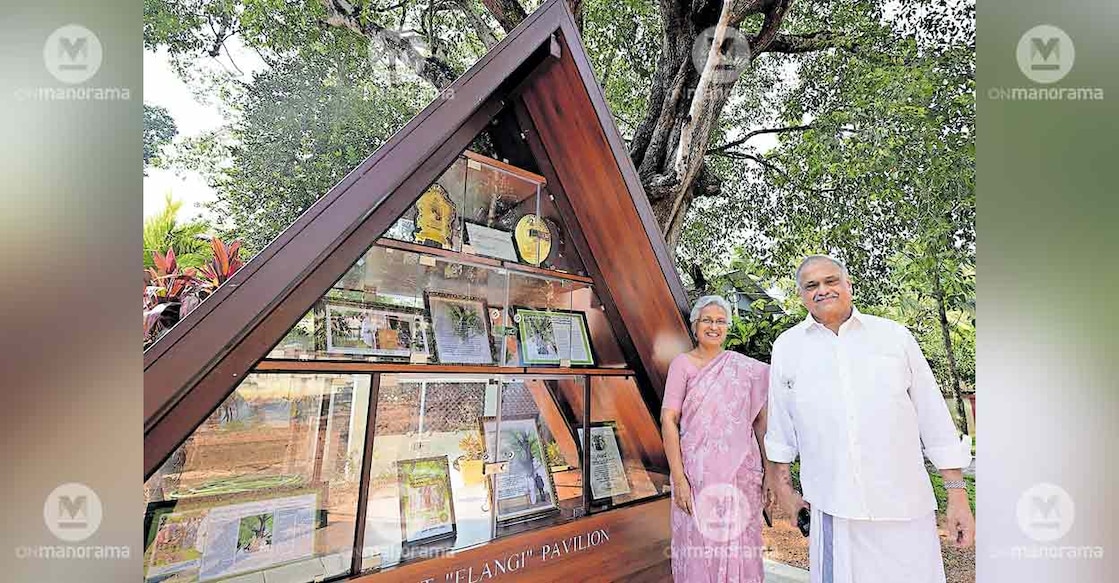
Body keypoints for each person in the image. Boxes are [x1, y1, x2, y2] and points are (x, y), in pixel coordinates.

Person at [766, 255, 974, 583]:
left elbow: (935, 423)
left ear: (848, 284)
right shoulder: (787, 348)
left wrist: (957, 495)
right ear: (802, 295)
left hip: (905, 506)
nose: (822, 290)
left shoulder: (894, 338)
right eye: (811, 285)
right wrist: (784, 491)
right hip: (833, 509)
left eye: (831, 281)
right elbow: (780, 431)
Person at [662, 295, 774, 582]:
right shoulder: (682, 365)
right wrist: (679, 478)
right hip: (696, 477)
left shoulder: (747, 370)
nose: (714, 326)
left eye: (720, 321)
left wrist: (770, 472)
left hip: (741, 473)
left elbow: (761, 423)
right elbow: (669, 420)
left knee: (740, 545)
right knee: (700, 544)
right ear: (695, 325)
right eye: (707, 320)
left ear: (728, 327)